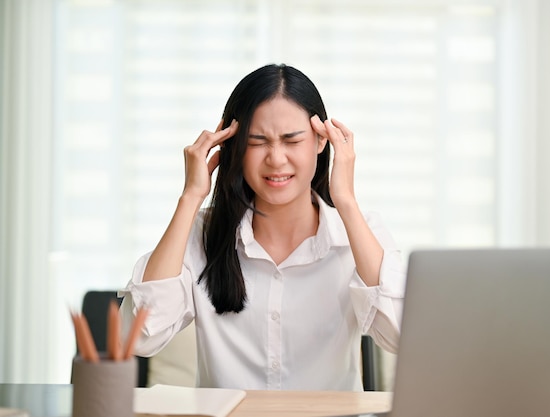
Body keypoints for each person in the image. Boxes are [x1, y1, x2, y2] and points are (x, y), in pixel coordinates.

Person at [119, 63, 405, 391]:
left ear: (322, 142)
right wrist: (190, 197)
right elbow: (137, 336)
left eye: (291, 140)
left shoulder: (359, 231)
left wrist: (346, 201)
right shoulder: (203, 233)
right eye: (257, 142)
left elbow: (400, 335)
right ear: (233, 147)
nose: (276, 158)